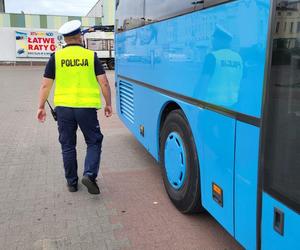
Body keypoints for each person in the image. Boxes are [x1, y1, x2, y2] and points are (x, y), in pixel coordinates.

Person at [36, 20, 112, 194]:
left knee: (67, 145)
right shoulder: (90, 56)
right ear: (79, 37)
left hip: (63, 109)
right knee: (94, 141)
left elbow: (45, 85)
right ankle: (89, 174)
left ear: (65, 39)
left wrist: (40, 106)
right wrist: (108, 104)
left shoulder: (56, 57)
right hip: (86, 108)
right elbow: (104, 83)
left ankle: (71, 183)